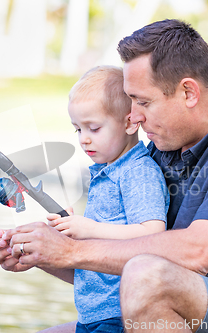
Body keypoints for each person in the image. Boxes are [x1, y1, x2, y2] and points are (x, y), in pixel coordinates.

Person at [0, 19, 208, 333]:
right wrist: (42, 253)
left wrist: (70, 252)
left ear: (188, 92)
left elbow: (196, 253)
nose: (132, 116)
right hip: (179, 312)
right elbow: (119, 267)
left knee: (147, 274)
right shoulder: (160, 148)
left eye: (142, 101)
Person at [48, 65, 169, 333]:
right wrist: (70, 229)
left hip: (117, 313)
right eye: (77, 130)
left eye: (93, 128)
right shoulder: (109, 170)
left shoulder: (138, 172)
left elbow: (153, 232)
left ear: (128, 123)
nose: (84, 139)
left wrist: (88, 228)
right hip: (92, 313)